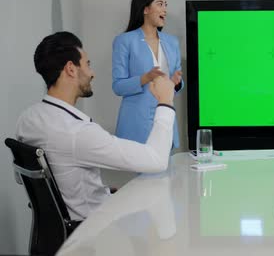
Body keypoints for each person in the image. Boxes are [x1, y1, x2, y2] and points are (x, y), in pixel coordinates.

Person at [16, 32, 176, 220]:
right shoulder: (78, 133)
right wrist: (165, 101)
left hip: (58, 232)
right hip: (91, 235)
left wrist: (98, 193)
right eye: (87, 64)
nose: (92, 73)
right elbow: (156, 160)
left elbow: (24, 179)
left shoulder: (27, 118)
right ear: (71, 69)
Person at [112, 0, 183, 149]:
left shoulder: (172, 42)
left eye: (166, 4)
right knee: (144, 174)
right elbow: (118, 86)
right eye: (160, 4)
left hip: (165, 120)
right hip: (137, 124)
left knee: (166, 173)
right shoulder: (124, 41)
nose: (165, 9)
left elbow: (177, 85)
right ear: (145, 9)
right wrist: (146, 77)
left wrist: (175, 83)